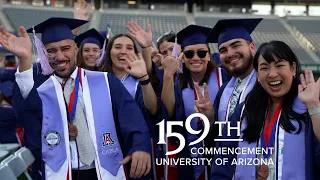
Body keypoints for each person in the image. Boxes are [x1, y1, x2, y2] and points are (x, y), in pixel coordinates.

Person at [0, 17, 151, 180]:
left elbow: (132, 116)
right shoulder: (42, 90)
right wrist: (24, 59)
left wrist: (139, 146)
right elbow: (25, 114)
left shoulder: (105, 81)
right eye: (51, 51)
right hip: (62, 172)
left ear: (76, 48)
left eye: (65, 48)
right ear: (44, 53)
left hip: (105, 169)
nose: (59, 56)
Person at [211, 41, 320, 179]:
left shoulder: (307, 109)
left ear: (292, 68)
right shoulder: (243, 111)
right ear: (257, 75)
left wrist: (314, 107)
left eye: (279, 65)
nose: (272, 74)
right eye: (264, 68)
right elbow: (223, 161)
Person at [160, 24, 230, 180]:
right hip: (189, 159)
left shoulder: (226, 78)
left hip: (223, 154)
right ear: (182, 58)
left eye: (202, 53)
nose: (196, 58)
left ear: (209, 56)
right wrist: (168, 75)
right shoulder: (178, 84)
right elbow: (168, 111)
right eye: (189, 54)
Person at [98, 33, 164, 179]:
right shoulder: (97, 81)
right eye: (118, 47)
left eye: (129, 48)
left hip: (137, 152)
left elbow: (153, 109)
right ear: (109, 52)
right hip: (104, 152)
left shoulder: (137, 82)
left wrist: (143, 78)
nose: (123, 51)